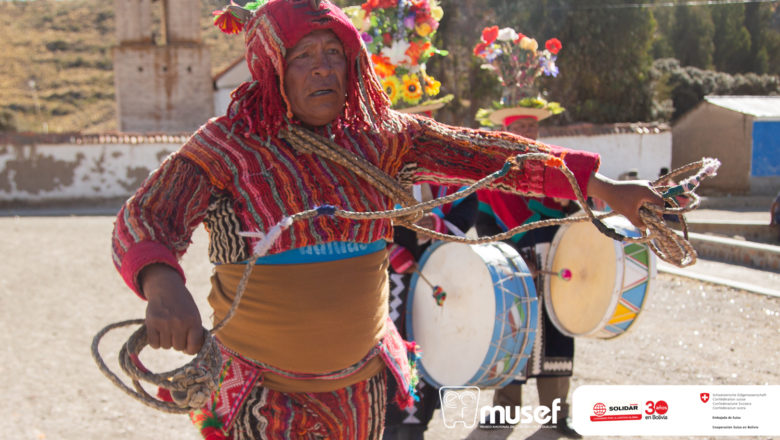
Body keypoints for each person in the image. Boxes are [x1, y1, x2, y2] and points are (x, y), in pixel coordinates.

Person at [110, 1, 662, 438]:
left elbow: (490, 156)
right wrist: (162, 285)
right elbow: (148, 218)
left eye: (335, 51)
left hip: (361, 392)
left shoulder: (381, 138)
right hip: (262, 399)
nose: (324, 67)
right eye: (304, 55)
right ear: (271, 65)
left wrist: (605, 187)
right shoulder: (227, 146)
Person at [476, 108, 581, 439]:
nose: (528, 132)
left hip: (555, 265)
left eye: (532, 126)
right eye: (521, 126)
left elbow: (579, 210)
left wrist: (568, 206)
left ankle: (557, 417)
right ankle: (504, 412)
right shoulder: (494, 175)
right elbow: (485, 223)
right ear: (507, 130)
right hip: (515, 267)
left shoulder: (557, 167)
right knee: (514, 334)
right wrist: (513, 258)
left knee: (557, 337)